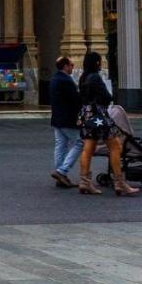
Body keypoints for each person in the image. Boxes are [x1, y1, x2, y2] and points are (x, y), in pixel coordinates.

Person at [78, 50, 137, 196]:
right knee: (116, 146)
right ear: (97, 63)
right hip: (100, 116)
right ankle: (119, 182)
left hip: (86, 116)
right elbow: (106, 96)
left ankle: (84, 181)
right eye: (100, 61)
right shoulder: (95, 77)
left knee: (88, 149)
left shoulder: (83, 78)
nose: (101, 63)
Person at [49, 55, 84, 188]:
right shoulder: (66, 81)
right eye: (71, 65)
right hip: (68, 118)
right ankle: (62, 171)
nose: (72, 67)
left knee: (61, 145)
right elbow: (75, 100)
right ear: (65, 66)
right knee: (80, 142)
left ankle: (60, 176)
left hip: (57, 117)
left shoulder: (54, 79)